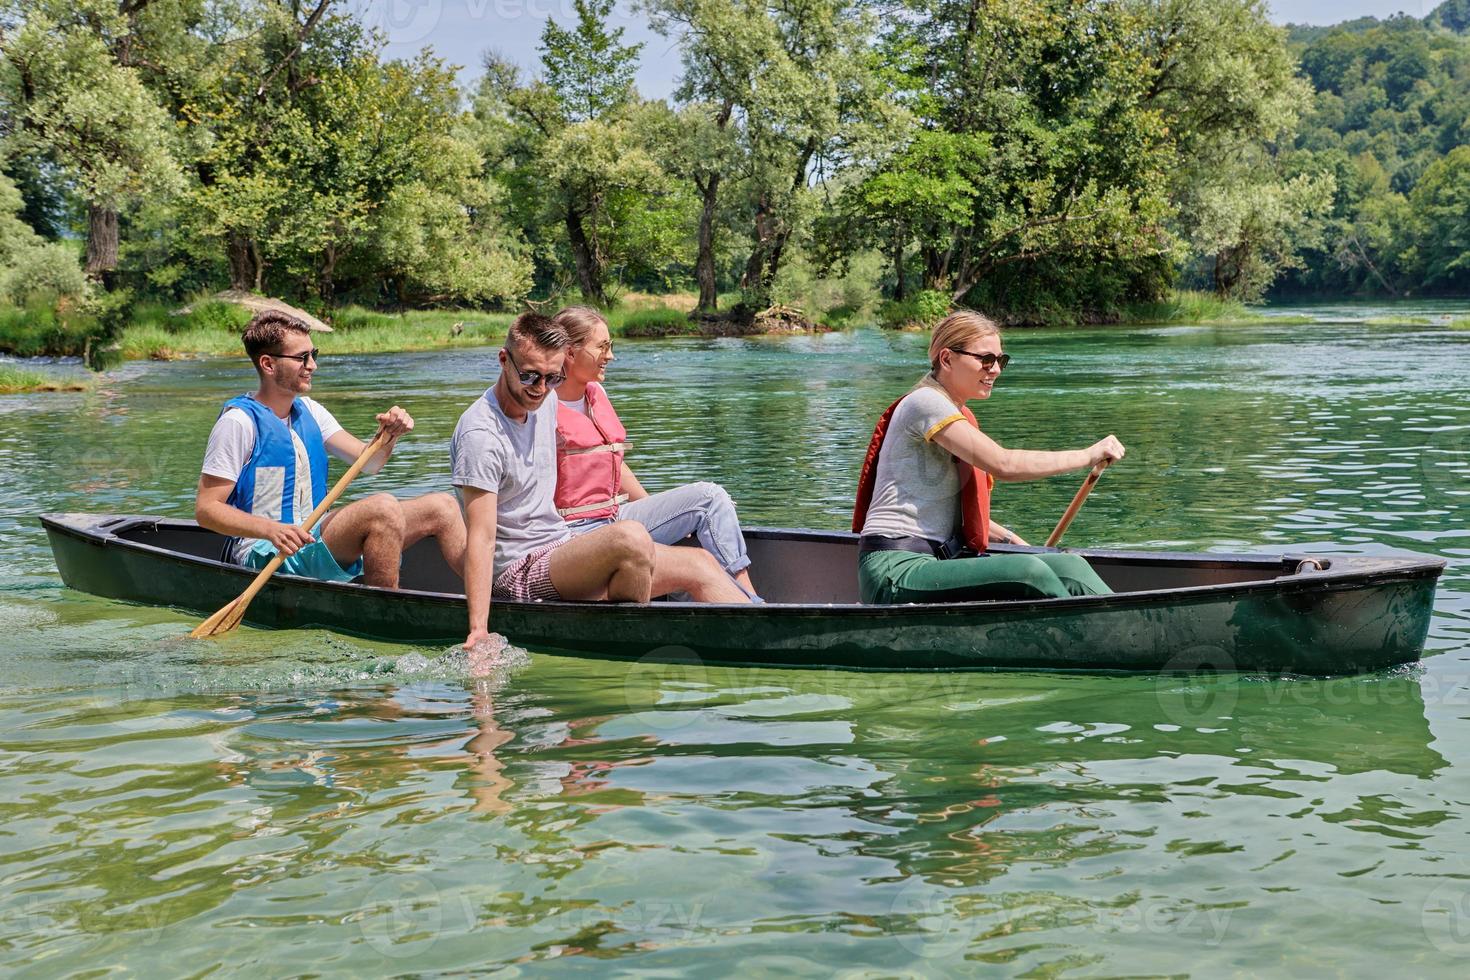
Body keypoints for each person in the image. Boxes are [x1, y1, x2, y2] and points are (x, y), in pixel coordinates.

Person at [451, 313, 751, 651]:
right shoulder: (481, 434)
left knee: (700, 563)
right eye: (530, 376)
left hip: (561, 548)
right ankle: (630, 639)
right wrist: (479, 628)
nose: (540, 388)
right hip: (519, 572)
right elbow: (482, 536)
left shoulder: (546, 399)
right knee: (631, 537)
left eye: (551, 378)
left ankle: (764, 636)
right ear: (504, 360)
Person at [853, 309, 1124, 604]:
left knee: (1070, 566)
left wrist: (1012, 541)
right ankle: (1096, 638)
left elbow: (949, 508)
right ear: (946, 359)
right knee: (1029, 571)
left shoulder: (955, 415)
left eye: (1000, 360)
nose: (995, 369)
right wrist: (1088, 455)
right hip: (895, 570)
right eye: (986, 359)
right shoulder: (925, 403)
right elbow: (1004, 464)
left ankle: (1128, 627)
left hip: (936, 563)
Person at [196, 310, 466, 588]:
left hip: (311, 540)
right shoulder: (238, 422)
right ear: (268, 364)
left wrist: (388, 435)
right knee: (383, 507)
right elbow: (206, 510)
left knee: (442, 506)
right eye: (302, 357)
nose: (312, 365)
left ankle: (493, 597)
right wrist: (271, 530)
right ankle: (384, 613)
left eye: (314, 354)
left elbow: (370, 464)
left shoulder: (311, 411)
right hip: (265, 553)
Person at [550, 305, 760, 601]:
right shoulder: (540, 410)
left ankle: (752, 600)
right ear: (570, 353)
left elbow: (614, 465)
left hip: (616, 516)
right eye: (603, 347)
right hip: (577, 535)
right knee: (688, 569)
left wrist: (666, 518)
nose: (610, 356)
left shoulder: (596, 393)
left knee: (711, 497)